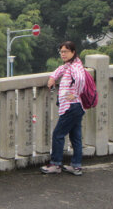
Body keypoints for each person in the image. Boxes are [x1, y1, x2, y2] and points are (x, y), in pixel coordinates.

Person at [40, 41, 86, 176]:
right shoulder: (70, 65)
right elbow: (60, 69)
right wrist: (53, 77)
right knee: (75, 136)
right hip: (77, 107)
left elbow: (80, 79)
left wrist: (75, 93)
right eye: (61, 52)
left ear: (73, 52)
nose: (63, 54)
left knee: (58, 135)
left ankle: (56, 164)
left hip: (71, 107)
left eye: (66, 51)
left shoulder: (75, 67)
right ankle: (76, 166)